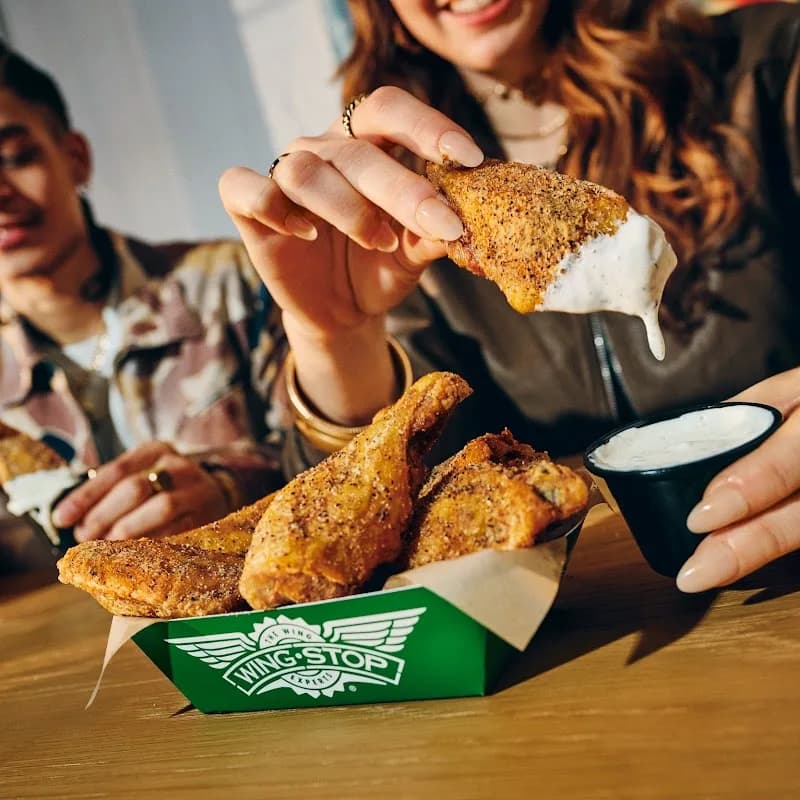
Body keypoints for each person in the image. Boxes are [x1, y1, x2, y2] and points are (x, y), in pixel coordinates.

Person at [218, 0, 799, 593]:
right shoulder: (395, 199)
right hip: (584, 630)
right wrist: (335, 338)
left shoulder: (772, 63)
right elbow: (338, 552)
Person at [0, 44, 284, 567]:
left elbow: (342, 453)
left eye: (16, 158)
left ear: (75, 156)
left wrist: (228, 488)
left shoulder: (231, 282)